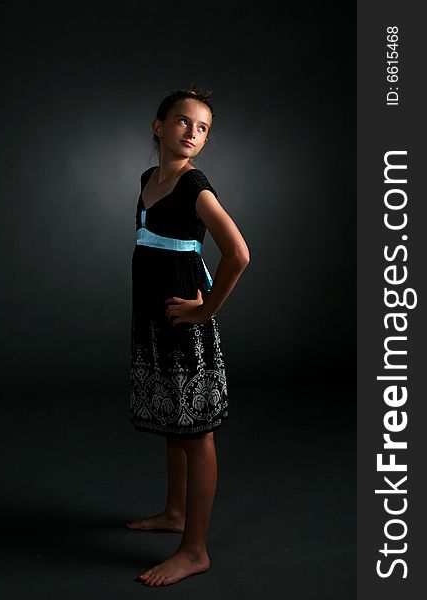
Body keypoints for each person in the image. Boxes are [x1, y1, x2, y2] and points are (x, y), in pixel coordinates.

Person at [127, 85, 250, 587]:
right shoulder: (150, 178)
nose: (192, 133)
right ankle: (175, 512)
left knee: (195, 433)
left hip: (184, 326)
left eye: (202, 128)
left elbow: (238, 254)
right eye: (183, 122)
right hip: (153, 321)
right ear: (160, 126)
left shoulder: (195, 187)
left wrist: (205, 311)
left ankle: (194, 549)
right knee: (174, 424)